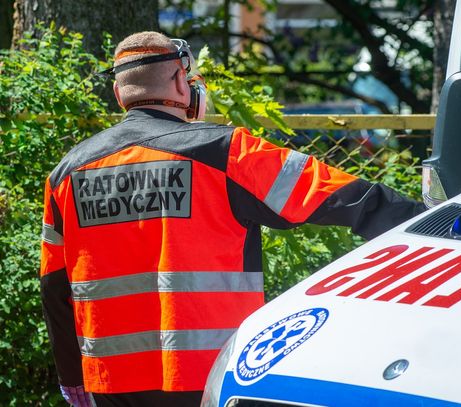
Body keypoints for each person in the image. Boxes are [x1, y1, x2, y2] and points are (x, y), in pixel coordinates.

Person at [40, 31, 425, 407]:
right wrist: (436, 224)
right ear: (180, 80)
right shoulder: (225, 150)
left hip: (112, 380)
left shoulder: (66, 174)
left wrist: (72, 377)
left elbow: (54, 287)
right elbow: (346, 197)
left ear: (119, 92)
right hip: (212, 373)